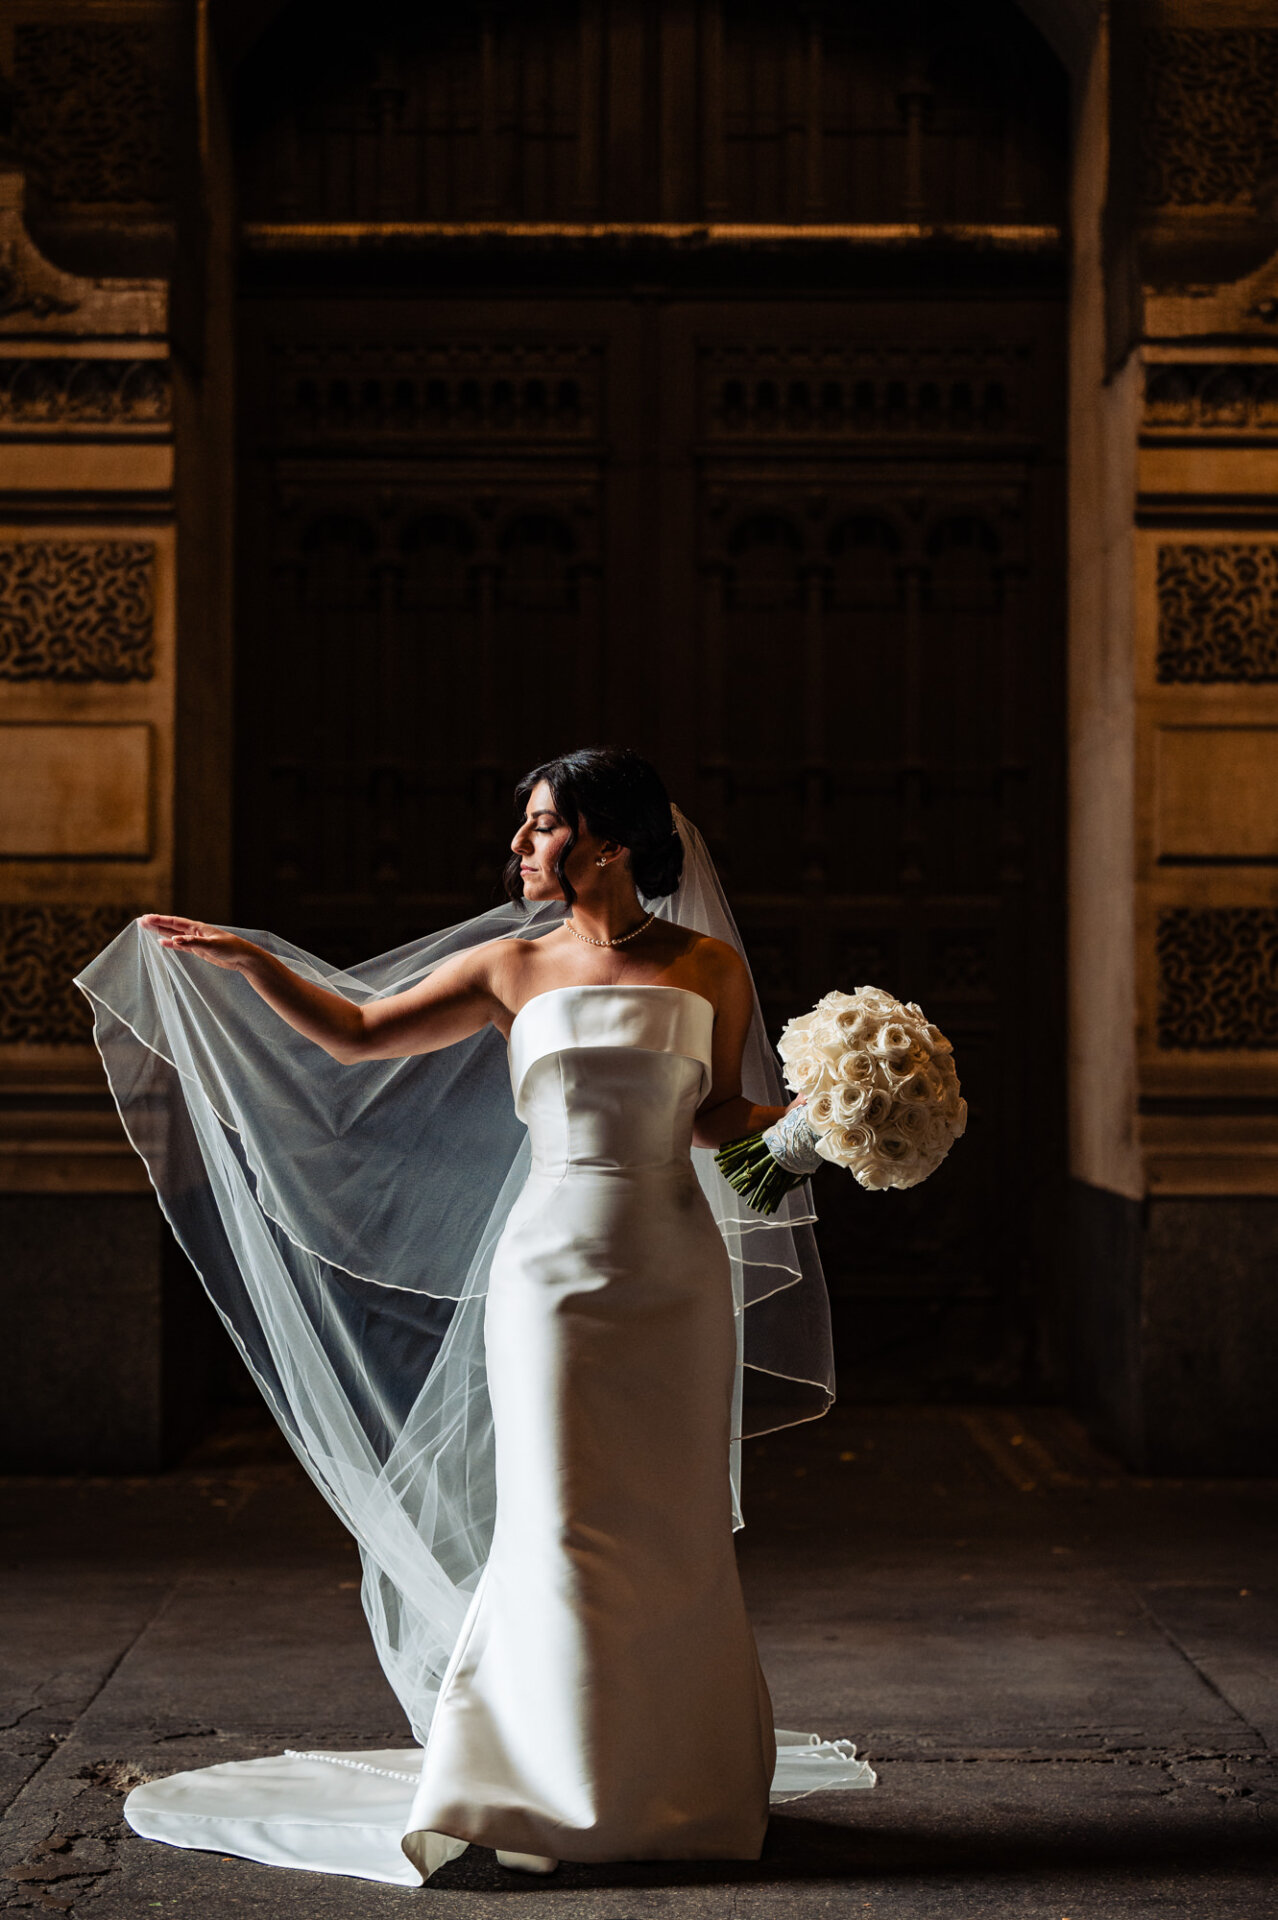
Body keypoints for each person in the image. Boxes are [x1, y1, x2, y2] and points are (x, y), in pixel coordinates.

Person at [76, 745, 873, 1888]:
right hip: (549, 1274)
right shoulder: (509, 966)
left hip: (675, 1273)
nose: (519, 846)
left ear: (605, 839)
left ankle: (677, 1785)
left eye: (541, 824)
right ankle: (533, 1781)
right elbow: (355, 1034)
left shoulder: (707, 967)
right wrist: (250, 963)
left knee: (671, 1518)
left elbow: (711, 1117)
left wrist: (819, 1119)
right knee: (560, 1514)